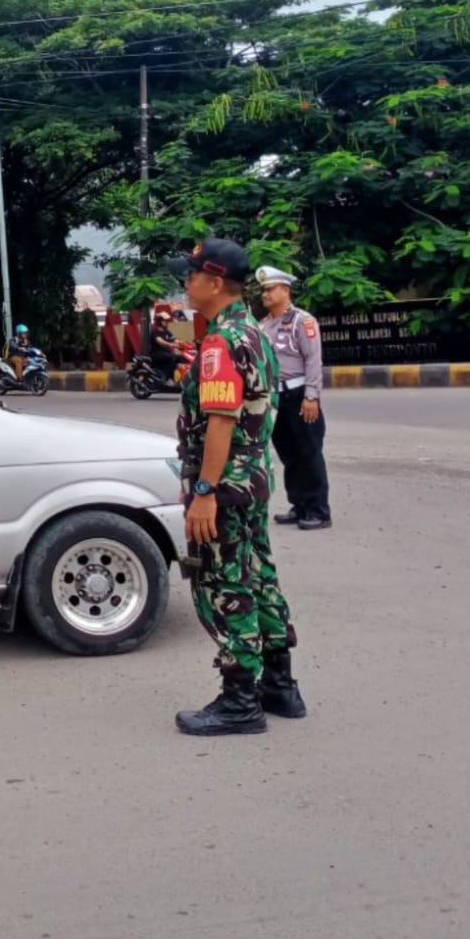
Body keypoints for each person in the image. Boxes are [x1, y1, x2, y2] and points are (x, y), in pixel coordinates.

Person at [168, 237, 306, 735]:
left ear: (214, 282)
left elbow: (221, 421)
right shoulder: (254, 332)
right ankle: (280, 686)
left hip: (223, 489)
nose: (186, 284)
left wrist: (204, 492)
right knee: (260, 578)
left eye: (190, 276)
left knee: (226, 587)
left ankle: (239, 700)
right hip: (253, 482)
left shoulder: (221, 342)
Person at [256, 266, 331, 530]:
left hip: (300, 395)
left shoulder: (303, 321)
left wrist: (311, 396)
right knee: (289, 454)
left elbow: (313, 360)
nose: (264, 294)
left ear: (285, 290)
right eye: (263, 290)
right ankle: (299, 505)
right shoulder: (263, 325)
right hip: (277, 397)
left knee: (309, 453)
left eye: (270, 289)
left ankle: (319, 511)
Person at [149, 311, 180, 380]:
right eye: (164, 320)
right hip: (156, 353)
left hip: (165, 353)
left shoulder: (166, 331)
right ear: (159, 321)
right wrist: (171, 344)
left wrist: (182, 343)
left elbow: (174, 339)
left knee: (180, 358)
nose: (167, 322)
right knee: (172, 358)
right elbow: (160, 341)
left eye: (167, 321)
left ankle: (174, 379)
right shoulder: (155, 330)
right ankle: (165, 379)